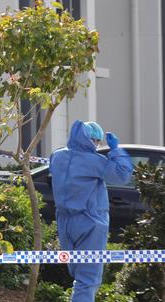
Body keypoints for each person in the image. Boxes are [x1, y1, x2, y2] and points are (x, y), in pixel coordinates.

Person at [49, 120, 133, 301]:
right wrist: (115, 150)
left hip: (65, 223)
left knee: (78, 274)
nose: (97, 145)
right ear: (91, 140)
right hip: (90, 223)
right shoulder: (95, 161)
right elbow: (122, 175)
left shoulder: (57, 156)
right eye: (97, 141)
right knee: (88, 279)